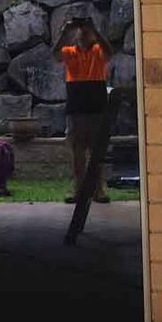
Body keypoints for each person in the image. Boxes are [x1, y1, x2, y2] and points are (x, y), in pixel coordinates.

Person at [53, 18, 113, 203]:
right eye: (81, 31)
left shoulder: (98, 51)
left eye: (86, 31)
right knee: (77, 151)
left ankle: (99, 190)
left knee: (97, 151)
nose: (83, 33)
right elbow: (55, 55)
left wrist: (95, 30)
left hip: (96, 106)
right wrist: (65, 31)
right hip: (76, 106)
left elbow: (109, 53)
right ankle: (78, 190)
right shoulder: (70, 52)